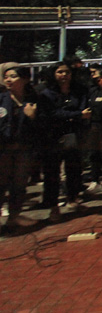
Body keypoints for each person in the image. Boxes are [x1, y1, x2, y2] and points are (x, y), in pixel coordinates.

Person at [38, 62, 91, 220]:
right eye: (60, 72)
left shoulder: (78, 92)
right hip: (53, 135)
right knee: (52, 171)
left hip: (73, 134)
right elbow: (52, 114)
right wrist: (76, 115)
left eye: (66, 72)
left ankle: (73, 199)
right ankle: (53, 205)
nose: (63, 75)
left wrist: (74, 115)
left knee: (74, 168)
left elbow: (85, 110)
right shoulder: (47, 93)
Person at [0, 66, 38, 231]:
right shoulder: (1, 99)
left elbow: (42, 125)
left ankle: (14, 216)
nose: (8, 80)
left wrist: (32, 116)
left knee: (19, 183)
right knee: (1, 183)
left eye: (13, 77)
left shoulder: (33, 99)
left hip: (23, 149)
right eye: (6, 77)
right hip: (3, 149)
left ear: (24, 79)